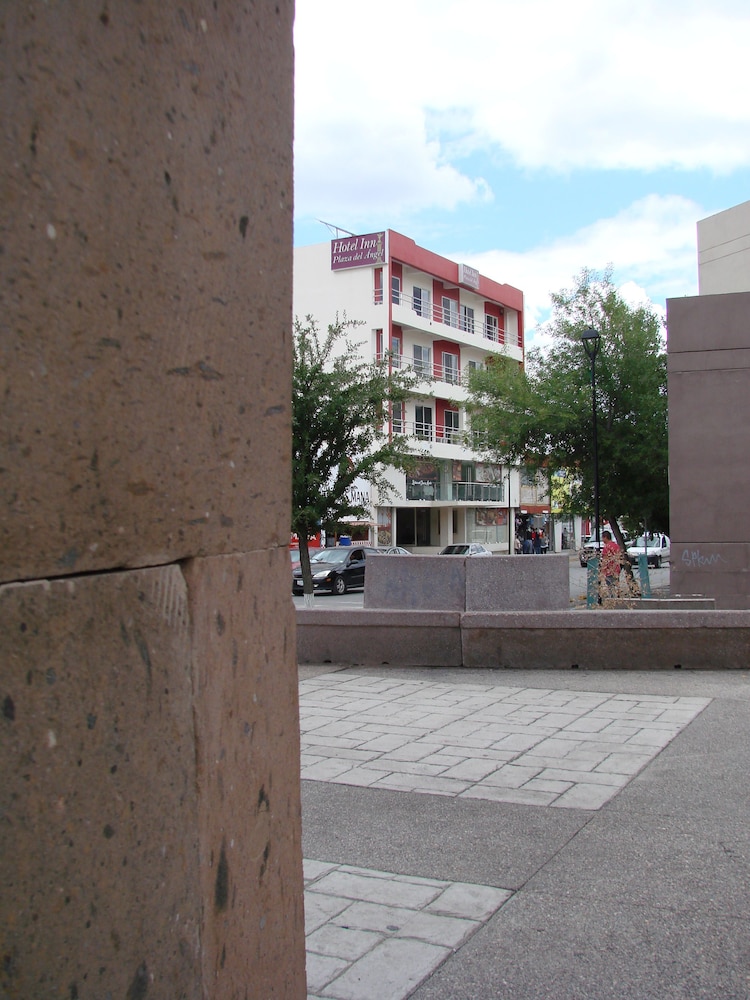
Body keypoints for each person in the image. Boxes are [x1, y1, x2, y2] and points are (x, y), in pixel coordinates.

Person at [599, 529, 621, 597]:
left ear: (605, 537)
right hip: (616, 569)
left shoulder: (606, 547)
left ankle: (612, 601)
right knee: (616, 585)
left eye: (602, 538)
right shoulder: (616, 546)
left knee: (610, 587)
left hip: (609, 570)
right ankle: (617, 599)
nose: (602, 540)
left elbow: (605, 560)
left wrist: (602, 571)